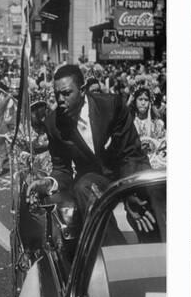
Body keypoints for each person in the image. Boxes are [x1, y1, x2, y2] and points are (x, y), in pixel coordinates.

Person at [27, 64, 155, 239]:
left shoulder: (112, 105)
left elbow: (130, 153)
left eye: (66, 93)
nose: (60, 99)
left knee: (150, 192)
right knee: (82, 186)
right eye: (57, 94)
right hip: (95, 180)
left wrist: (129, 191)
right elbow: (62, 170)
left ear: (82, 90)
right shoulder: (53, 124)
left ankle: (158, 250)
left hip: (129, 170)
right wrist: (49, 183)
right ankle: (114, 251)